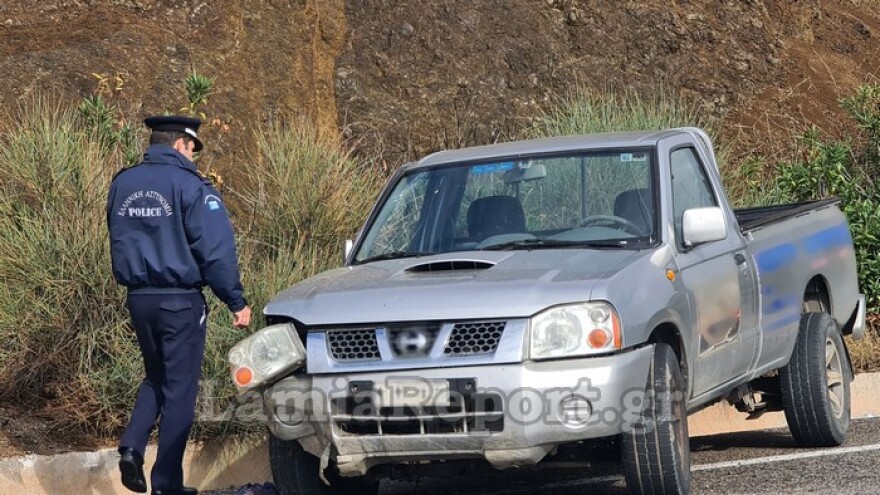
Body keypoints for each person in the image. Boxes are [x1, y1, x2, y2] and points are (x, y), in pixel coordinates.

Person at [106, 115, 252, 495]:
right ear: (179, 145)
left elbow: (118, 238)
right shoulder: (191, 186)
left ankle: (132, 448)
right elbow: (216, 250)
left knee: (156, 376)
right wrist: (235, 300)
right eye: (192, 149)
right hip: (180, 302)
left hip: (139, 299)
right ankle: (167, 486)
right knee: (181, 391)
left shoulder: (123, 183)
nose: (194, 158)